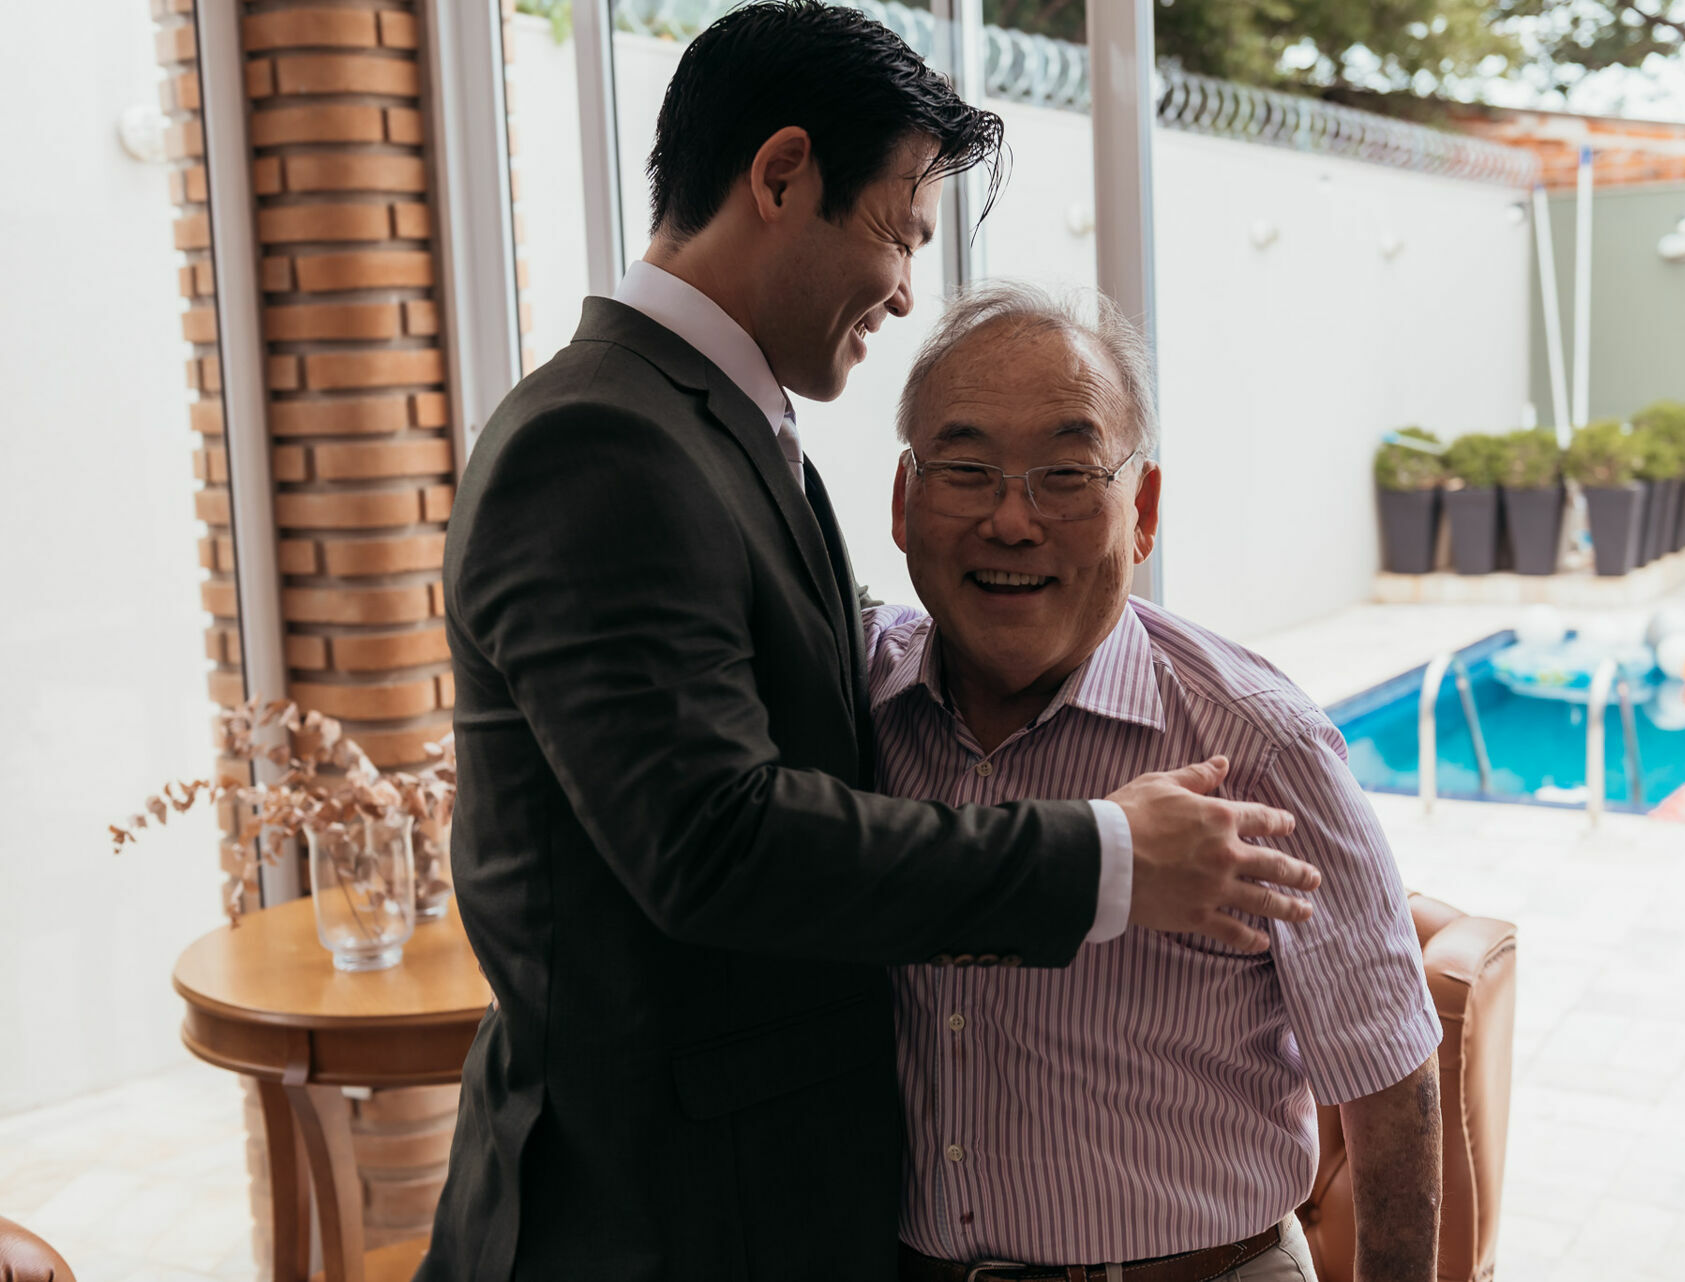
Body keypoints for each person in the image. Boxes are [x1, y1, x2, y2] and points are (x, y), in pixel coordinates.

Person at [420, 5, 1319, 1279]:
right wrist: (1111, 856)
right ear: (782, 175)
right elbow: (712, 838)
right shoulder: (601, 443)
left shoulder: (713, 426)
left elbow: (776, 659)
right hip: (656, 1223)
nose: (906, 289)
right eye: (901, 231)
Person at [871, 283, 1444, 1282]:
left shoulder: (1257, 744)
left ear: (1141, 512)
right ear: (903, 503)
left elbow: (1393, 1087)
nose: (1012, 521)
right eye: (966, 469)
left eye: (1066, 474)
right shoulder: (861, 709)